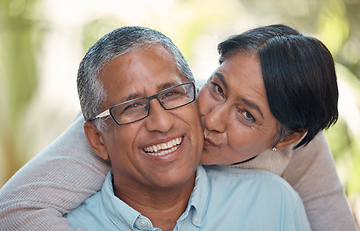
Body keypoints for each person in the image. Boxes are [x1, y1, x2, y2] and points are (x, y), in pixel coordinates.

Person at [0, 25, 356, 230]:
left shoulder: (293, 167)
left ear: (286, 138)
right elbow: (15, 208)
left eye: (247, 115)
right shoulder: (139, 117)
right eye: (217, 88)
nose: (211, 118)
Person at [68, 26, 310, 230]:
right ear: (98, 139)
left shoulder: (273, 203)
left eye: (172, 93)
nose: (162, 123)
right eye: (132, 106)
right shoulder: (65, 225)